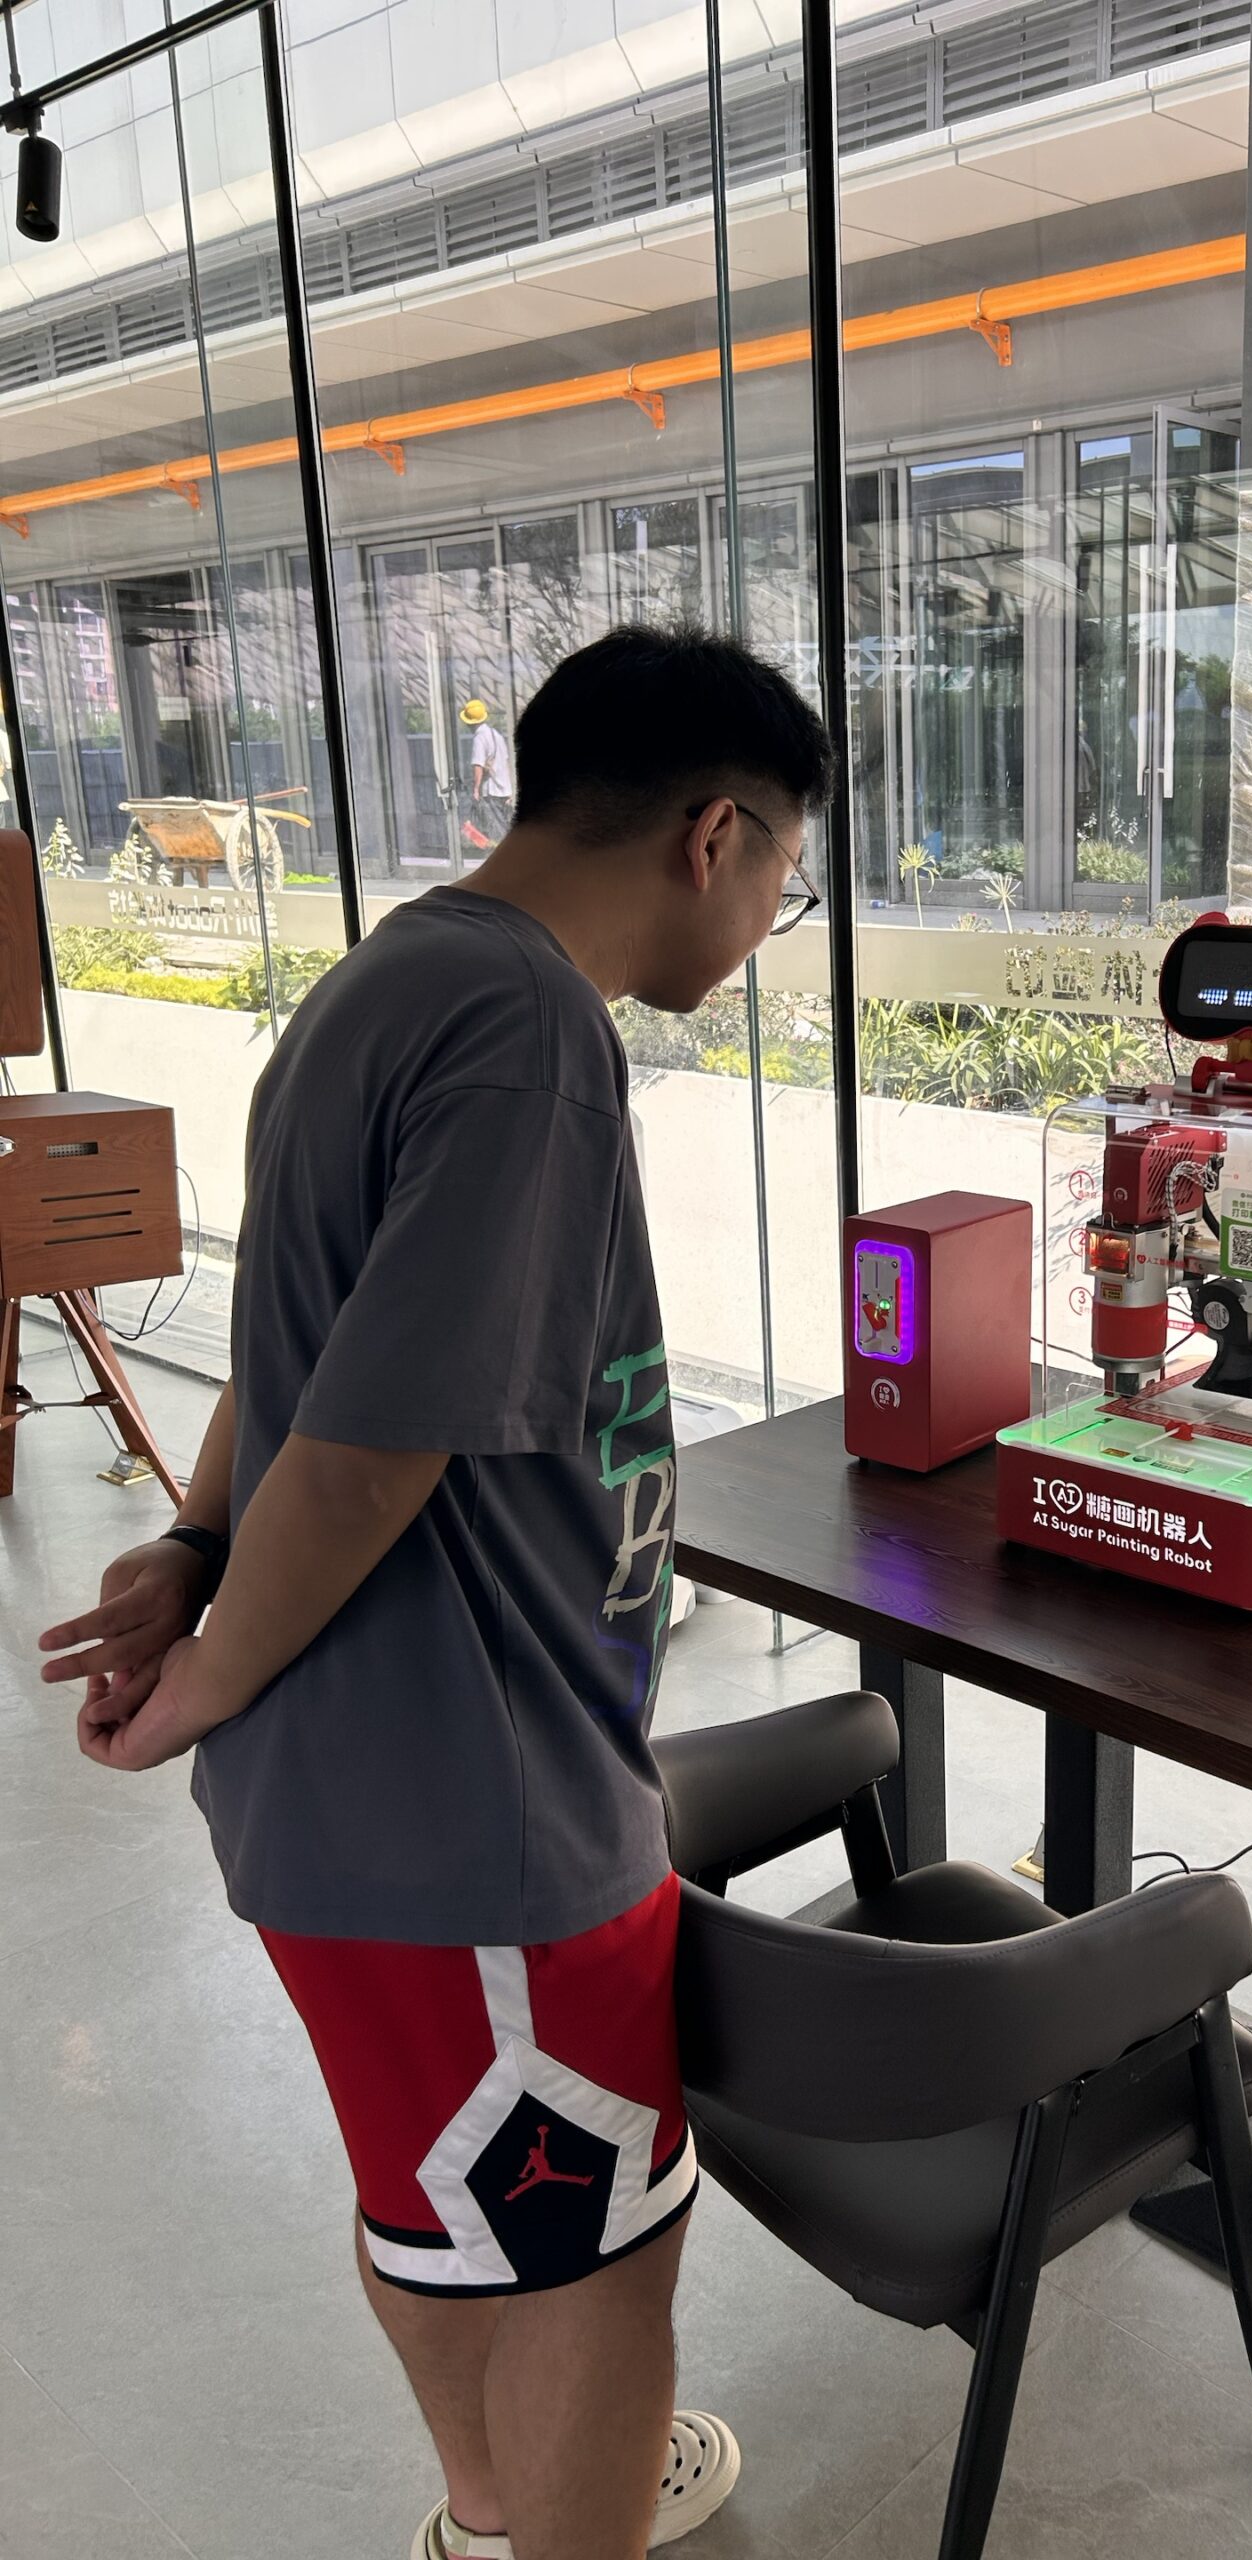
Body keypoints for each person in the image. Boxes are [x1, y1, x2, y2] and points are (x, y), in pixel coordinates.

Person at [38, 626, 833, 2560]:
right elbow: (379, 1439)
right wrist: (212, 1666)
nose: (765, 928)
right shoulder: (530, 1033)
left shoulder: (384, 982)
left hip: (370, 1802)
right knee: (599, 2266)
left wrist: (191, 1548)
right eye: (785, 886)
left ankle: (491, 2507)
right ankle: (543, 2515)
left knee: (442, 2194)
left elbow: (295, 1338)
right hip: (476, 1802)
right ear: (713, 835)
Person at [463, 698, 515, 846]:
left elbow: (478, 765)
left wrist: (476, 789)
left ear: (469, 722)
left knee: (496, 832)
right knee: (504, 827)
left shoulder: (479, 738)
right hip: (504, 789)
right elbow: (506, 762)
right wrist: (510, 788)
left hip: (491, 791)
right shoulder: (496, 735)